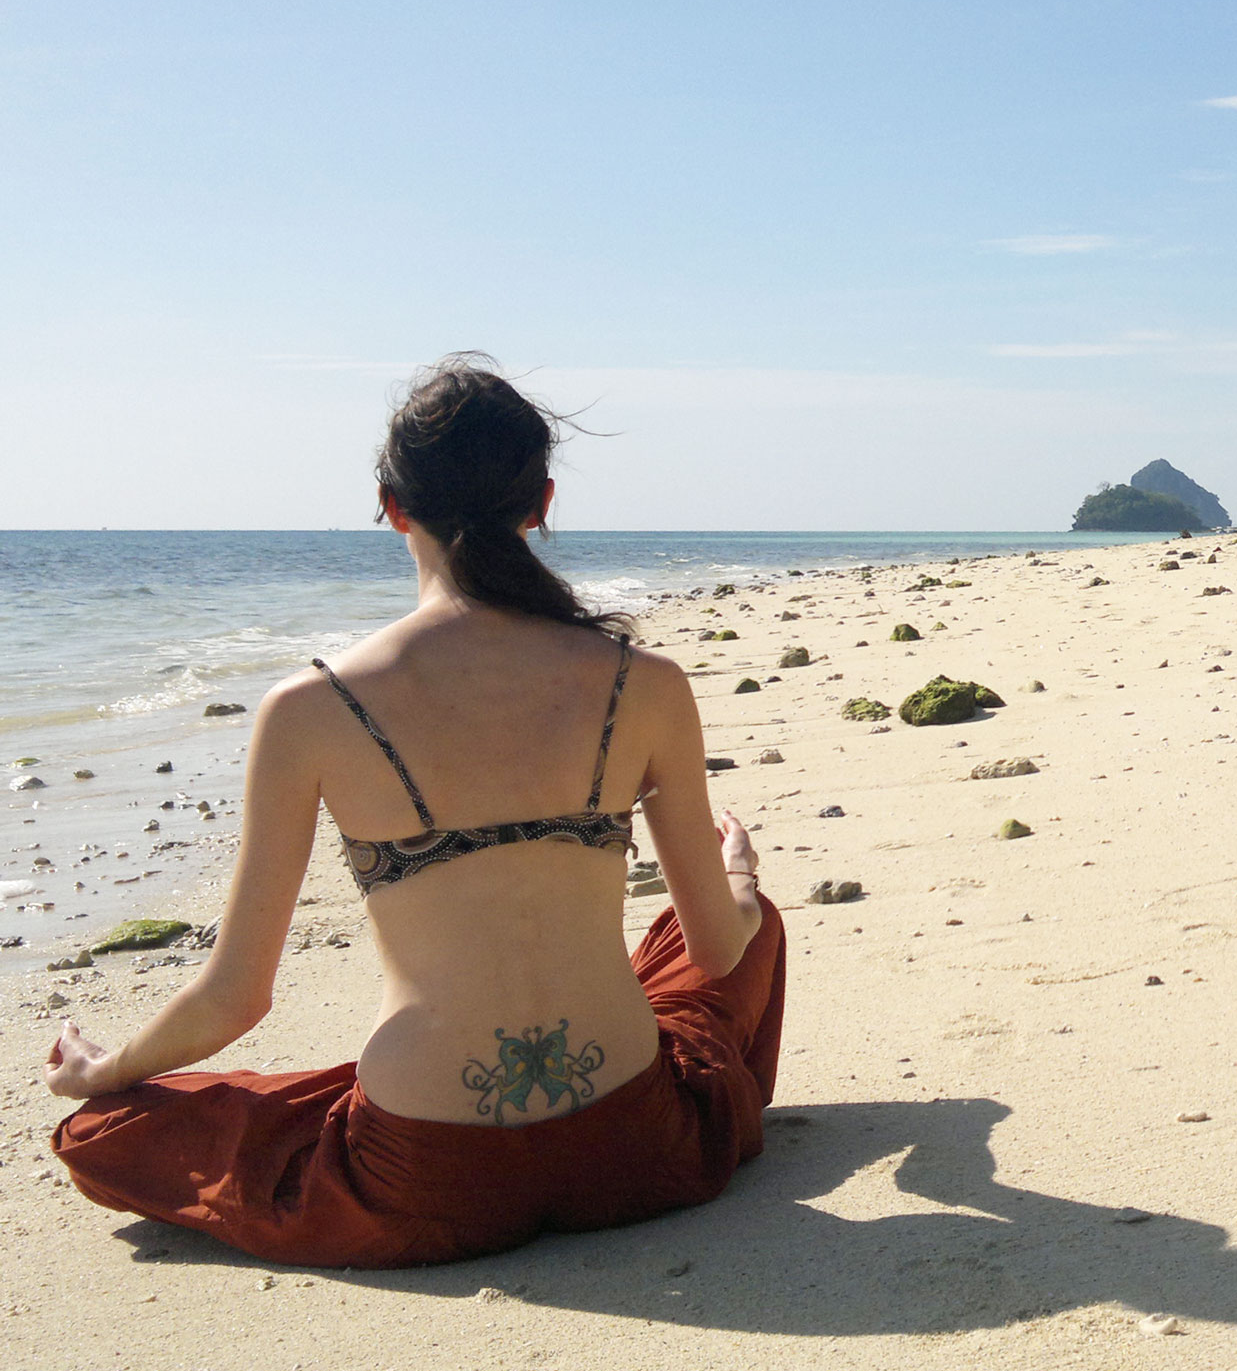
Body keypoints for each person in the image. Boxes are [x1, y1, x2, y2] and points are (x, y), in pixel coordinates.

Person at [46, 357, 785, 1269]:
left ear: (393, 507)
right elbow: (718, 950)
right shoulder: (647, 683)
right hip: (635, 1146)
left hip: (426, 1175)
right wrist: (741, 881)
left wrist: (106, 1070)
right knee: (744, 932)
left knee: (106, 1128)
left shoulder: (310, 708)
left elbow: (236, 996)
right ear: (542, 501)